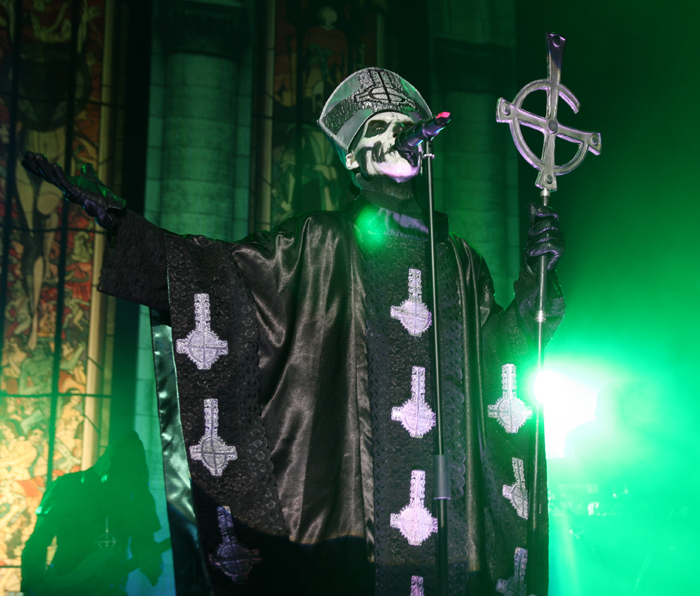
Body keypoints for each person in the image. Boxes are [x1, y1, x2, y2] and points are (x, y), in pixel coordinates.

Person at [22, 67, 565, 596]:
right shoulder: (318, 244)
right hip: (353, 534)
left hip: (449, 531)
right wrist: (125, 225)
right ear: (352, 158)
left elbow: (498, 364)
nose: (398, 135)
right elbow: (223, 279)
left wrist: (533, 299)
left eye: (405, 125)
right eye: (378, 127)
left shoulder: (460, 262)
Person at [20, 431, 164, 596]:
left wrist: (153, 565)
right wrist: (33, 585)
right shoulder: (67, 486)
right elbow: (38, 541)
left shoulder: (138, 495)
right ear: (108, 465)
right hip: (63, 585)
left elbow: (144, 542)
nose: (122, 488)